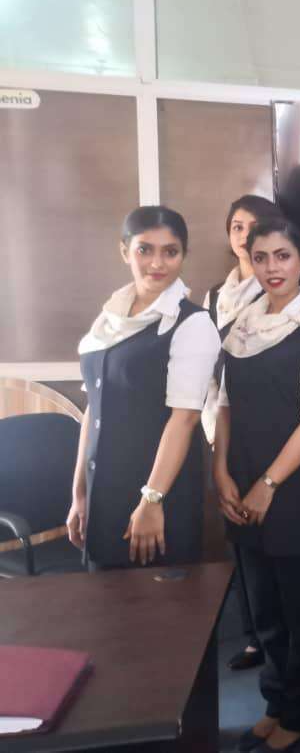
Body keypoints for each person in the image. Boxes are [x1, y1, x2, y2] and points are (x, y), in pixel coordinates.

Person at [214, 218, 300, 753]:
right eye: (262, 257)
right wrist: (221, 470)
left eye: (283, 256)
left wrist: (268, 484)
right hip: (241, 481)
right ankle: (277, 702)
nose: (272, 267)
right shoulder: (239, 327)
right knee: (265, 611)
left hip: (297, 491)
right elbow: (224, 404)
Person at [68, 207, 219, 570]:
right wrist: (80, 493)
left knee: (158, 600)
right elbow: (94, 408)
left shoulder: (192, 323)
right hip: (104, 491)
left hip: (156, 493)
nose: (157, 263)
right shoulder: (109, 319)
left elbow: (184, 420)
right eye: (144, 249)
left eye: (171, 251)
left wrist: (152, 500)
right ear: (125, 251)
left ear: (183, 255)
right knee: (104, 598)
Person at [202, 193, 282, 672]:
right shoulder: (216, 294)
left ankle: (273, 636)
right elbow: (208, 370)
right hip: (222, 420)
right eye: (236, 226)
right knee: (239, 533)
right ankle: (253, 632)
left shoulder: (279, 289)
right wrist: (212, 426)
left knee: (269, 532)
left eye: (253, 226)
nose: (243, 235)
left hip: (264, 425)